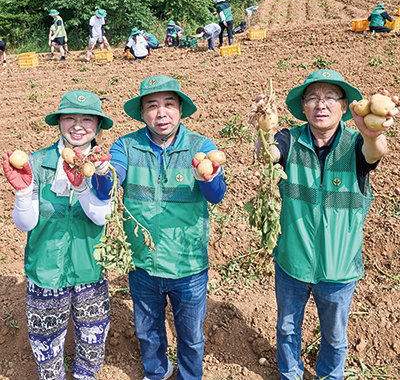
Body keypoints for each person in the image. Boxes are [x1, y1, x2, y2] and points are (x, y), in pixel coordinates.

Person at [253, 69, 398, 380]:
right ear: (303, 107)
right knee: (287, 328)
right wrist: (264, 125)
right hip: (292, 263)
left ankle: (330, 376)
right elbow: (267, 155)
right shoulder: (289, 140)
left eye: (330, 97)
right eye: (313, 98)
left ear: (344, 106)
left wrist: (373, 133)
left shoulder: (357, 144)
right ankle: (290, 373)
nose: (321, 105)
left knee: (334, 336)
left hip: (339, 269)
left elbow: (376, 153)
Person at [92, 75, 227, 380]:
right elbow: (107, 188)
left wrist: (208, 178)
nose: (161, 112)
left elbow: (216, 195)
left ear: (180, 109)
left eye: (169, 104)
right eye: (152, 106)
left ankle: (190, 376)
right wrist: (102, 173)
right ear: (142, 113)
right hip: (143, 264)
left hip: (188, 265)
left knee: (191, 336)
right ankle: (157, 373)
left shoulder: (201, 146)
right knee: (148, 332)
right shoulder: (126, 146)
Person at [2, 90, 114, 380]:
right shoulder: (38, 163)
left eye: (87, 119)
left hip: (90, 270)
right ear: (59, 123)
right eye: (69, 119)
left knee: (92, 346)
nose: (78, 126)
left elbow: (102, 216)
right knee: (46, 349)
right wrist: (24, 191)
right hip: (45, 272)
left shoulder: (102, 167)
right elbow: (25, 224)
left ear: (98, 126)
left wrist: (83, 185)